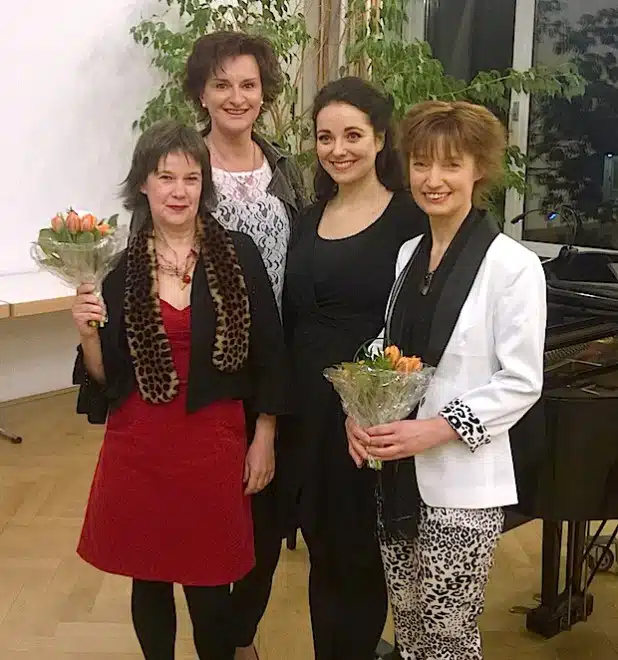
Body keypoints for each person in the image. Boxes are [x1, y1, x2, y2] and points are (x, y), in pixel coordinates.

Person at [71, 120, 288, 660]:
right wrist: (87, 334)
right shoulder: (119, 268)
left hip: (214, 440)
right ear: (143, 184)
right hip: (139, 441)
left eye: (191, 178)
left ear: (203, 184)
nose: (178, 190)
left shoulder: (237, 254)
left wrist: (264, 435)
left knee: (211, 586)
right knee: (148, 580)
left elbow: (269, 351)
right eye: (165, 177)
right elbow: (106, 379)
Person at [345, 100, 547, 660]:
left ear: (478, 169)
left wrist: (432, 430)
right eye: (422, 165)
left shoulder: (514, 266)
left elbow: (522, 382)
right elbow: (388, 348)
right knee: (409, 627)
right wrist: (358, 407)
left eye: (450, 165)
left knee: (449, 637)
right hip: (398, 474)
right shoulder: (409, 253)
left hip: (463, 484)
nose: (433, 180)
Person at [283, 76, 427, 660]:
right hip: (306, 410)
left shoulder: (410, 217)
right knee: (322, 547)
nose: (337, 149)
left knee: (361, 553)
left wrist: (369, 400)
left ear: (379, 139)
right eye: (324, 137)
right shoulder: (309, 215)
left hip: (368, 413)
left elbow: (416, 321)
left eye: (352, 135)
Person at [184, 31, 306, 660]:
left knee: (269, 513)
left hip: (279, 365)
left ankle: (240, 636)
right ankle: (219, 639)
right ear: (201, 92)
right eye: (222, 83)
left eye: (249, 84)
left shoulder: (286, 167)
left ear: (265, 91)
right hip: (208, 372)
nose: (237, 97)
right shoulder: (182, 166)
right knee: (207, 516)